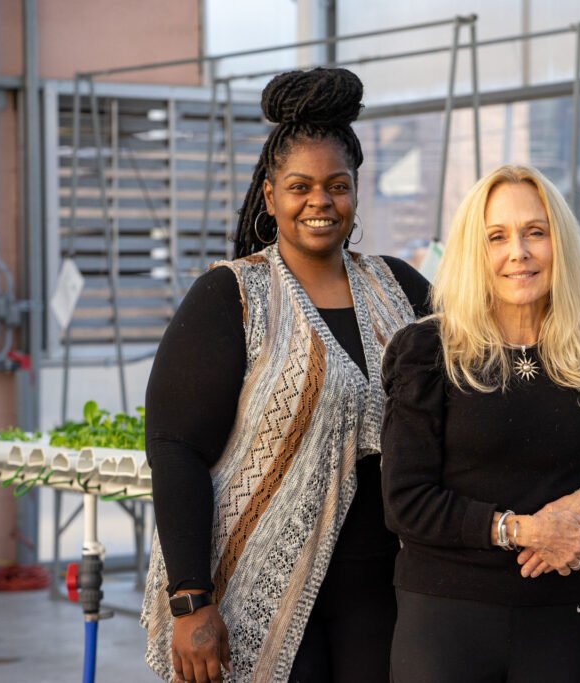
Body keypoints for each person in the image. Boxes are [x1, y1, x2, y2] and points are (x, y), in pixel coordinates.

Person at [139, 67, 429, 683]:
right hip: (251, 583)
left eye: (337, 185)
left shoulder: (401, 287)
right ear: (270, 196)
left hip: (380, 590)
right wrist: (191, 599)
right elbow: (175, 447)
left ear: (355, 192)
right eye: (300, 186)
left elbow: (472, 376)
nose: (319, 201)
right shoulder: (234, 295)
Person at [380, 164, 580, 683]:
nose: (519, 252)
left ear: (559, 243)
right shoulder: (430, 351)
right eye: (498, 237)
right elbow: (405, 500)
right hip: (446, 618)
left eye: (536, 232)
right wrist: (523, 530)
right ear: (476, 251)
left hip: (555, 613)